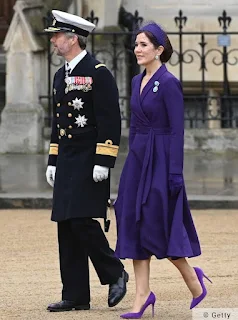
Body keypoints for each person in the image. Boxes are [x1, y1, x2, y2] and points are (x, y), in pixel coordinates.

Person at [114, 22, 212, 319]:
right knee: (130, 219)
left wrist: (175, 173)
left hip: (161, 162)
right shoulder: (135, 81)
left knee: (160, 223)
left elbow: (177, 131)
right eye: (136, 44)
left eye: (144, 45)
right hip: (138, 160)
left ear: (159, 50)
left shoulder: (169, 83)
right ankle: (142, 295)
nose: (138, 50)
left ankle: (194, 281)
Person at [44, 10, 128, 312]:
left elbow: (110, 120)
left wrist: (104, 160)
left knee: (81, 220)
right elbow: (57, 123)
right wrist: (53, 158)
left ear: (73, 38)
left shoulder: (98, 72)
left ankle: (115, 271)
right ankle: (76, 294)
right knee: (65, 225)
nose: (53, 40)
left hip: (90, 159)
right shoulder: (60, 75)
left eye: (57, 35)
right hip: (67, 159)